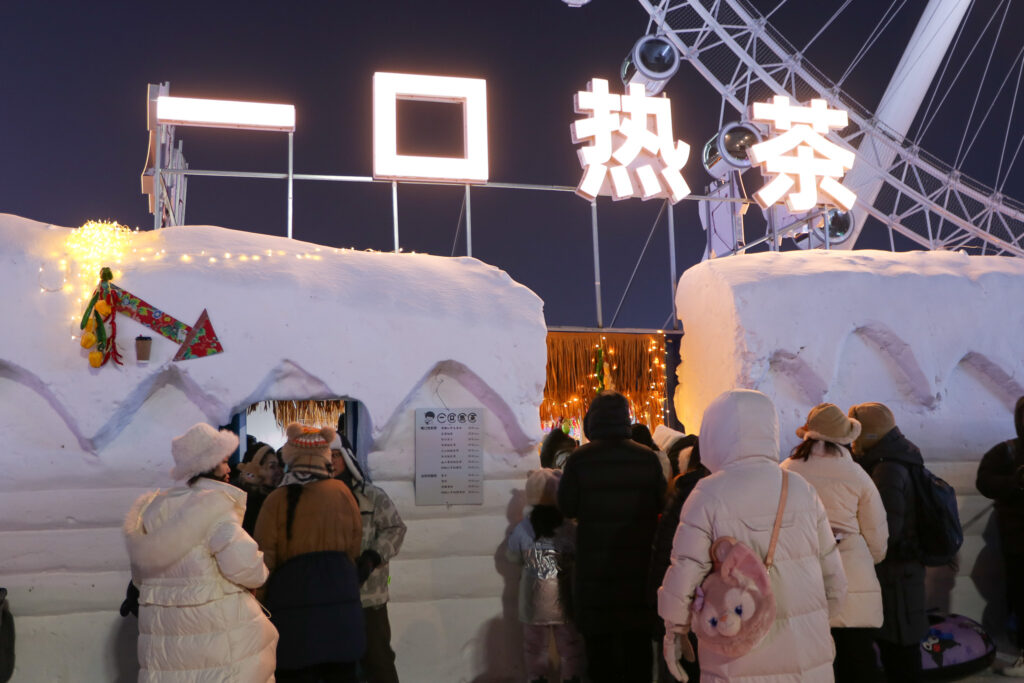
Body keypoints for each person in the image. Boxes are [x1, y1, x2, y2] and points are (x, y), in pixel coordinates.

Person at [659, 389, 847, 682]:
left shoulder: (707, 494)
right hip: (805, 654)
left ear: (714, 433)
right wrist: (818, 625)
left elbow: (685, 571)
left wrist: (674, 631)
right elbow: (835, 579)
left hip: (735, 653)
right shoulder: (800, 488)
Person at [123, 422, 278, 681]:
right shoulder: (215, 509)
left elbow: (140, 576)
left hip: (166, 638)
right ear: (209, 463)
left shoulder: (152, 510)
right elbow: (249, 569)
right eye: (224, 461)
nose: (228, 468)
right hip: (217, 635)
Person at [557, 390, 666, 683]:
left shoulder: (580, 460)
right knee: (638, 656)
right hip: (638, 571)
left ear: (592, 421)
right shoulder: (647, 458)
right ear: (625, 420)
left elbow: (566, 506)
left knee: (600, 659)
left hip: (596, 574)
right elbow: (661, 504)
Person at [781, 403, 888, 683]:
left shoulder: (785, 473)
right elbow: (877, 537)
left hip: (802, 583)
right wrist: (865, 559)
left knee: (812, 667)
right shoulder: (858, 475)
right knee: (858, 663)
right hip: (853, 582)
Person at [254, 423, 365, 682]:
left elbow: (264, 559)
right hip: (342, 606)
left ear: (290, 456)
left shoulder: (277, 499)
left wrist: (259, 603)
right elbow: (354, 545)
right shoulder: (343, 493)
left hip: (292, 614)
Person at [848, 402, 929, 682]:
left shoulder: (888, 470)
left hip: (896, 577)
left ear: (869, 435)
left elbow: (886, 531)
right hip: (901, 574)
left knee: (901, 655)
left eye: (857, 433)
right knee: (899, 652)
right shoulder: (896, 458)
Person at [331, 433, 407, 683]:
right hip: (332, 599)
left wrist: (374, 555)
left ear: (347, 457)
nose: (331, 462)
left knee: (378, 661)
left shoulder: (372, 496)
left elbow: (395, 528)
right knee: (339, 666)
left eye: (336, 455)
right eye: (326, 456)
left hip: (370, 597)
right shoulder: (318, 499)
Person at [507, 468, 584, 683]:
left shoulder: (523, 528)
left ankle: (538, 678)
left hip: (533, 599)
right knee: (570, 645)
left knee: (534, 647)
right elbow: (579, 552)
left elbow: (512, 556)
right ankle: (572, 677)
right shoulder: (569, 527)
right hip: (563, 596)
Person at [648, 438, 709, 683]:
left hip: (685, 604)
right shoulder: (727, 492)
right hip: (725, 606)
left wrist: (657, 607)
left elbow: (665, 554)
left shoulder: (683, 491)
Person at [976, 396, 1024, 676]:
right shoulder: (1005, 451)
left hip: (1015, 541)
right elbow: (984, 482)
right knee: (1019, 597)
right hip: (1016, 542)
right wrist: (1013, 482)